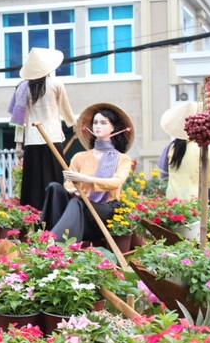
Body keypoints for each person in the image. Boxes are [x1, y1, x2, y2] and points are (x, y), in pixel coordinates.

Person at [41, 103, 133, 242]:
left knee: (77, 202)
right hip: (79, 207)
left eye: (103, 123)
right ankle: (47, 233)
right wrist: (75, 192)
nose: (97, 126)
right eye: (95, 122)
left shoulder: (123, 159)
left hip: (105, 209)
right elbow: (69, 184)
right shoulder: (80, 157)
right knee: (55, 187)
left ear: (113, 127)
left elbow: (116, 182)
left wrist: (84, 178)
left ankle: (55, 242)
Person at [8, 47, 76, 210]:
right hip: (52, 138)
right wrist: (73, 126)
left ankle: (32, 216)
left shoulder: (22, 87)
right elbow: (66, 110)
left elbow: (19, 121)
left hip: (32, 140)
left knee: (33, 183)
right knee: (54, 179)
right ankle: (57, 211)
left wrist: (18, 144)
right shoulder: (56, 84)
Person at [159, 102, 210, 207]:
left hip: (172, 202)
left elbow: (163, 176)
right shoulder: (206, 150)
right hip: (196, 202)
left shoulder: (170, 148)